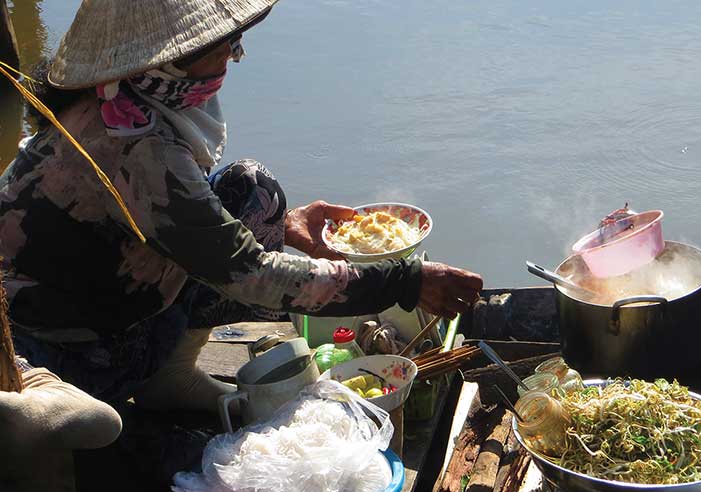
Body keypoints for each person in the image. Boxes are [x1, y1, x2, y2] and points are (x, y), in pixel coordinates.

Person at [0, 0, 483, 416]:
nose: (234, 55)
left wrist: (286, 228)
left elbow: (188, 213)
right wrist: (405, 281)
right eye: (221, 46)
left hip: (100, 281)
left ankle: (172, 373)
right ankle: (153, 381)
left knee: (253, 190)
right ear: (171, 60)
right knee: (253, 262)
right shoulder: (135, 145)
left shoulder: (120, 98)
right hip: (73, 354)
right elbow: (251, 273)